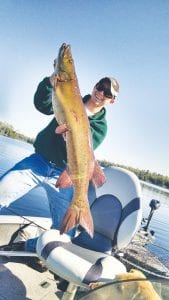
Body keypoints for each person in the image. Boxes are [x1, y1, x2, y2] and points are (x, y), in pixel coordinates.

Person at [0, 67, 119, 253]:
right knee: (2, 190)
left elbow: (80, 153)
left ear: (112, 100)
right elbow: (42, 105)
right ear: (95, 86)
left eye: (107, 93)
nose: (101, 93)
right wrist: (49, 83)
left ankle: (29, 245)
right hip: (39, 162)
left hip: (64, 174)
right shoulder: (70, 99)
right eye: (100, 86)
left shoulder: (101, 127)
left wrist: (68, 135)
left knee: (64, 235)